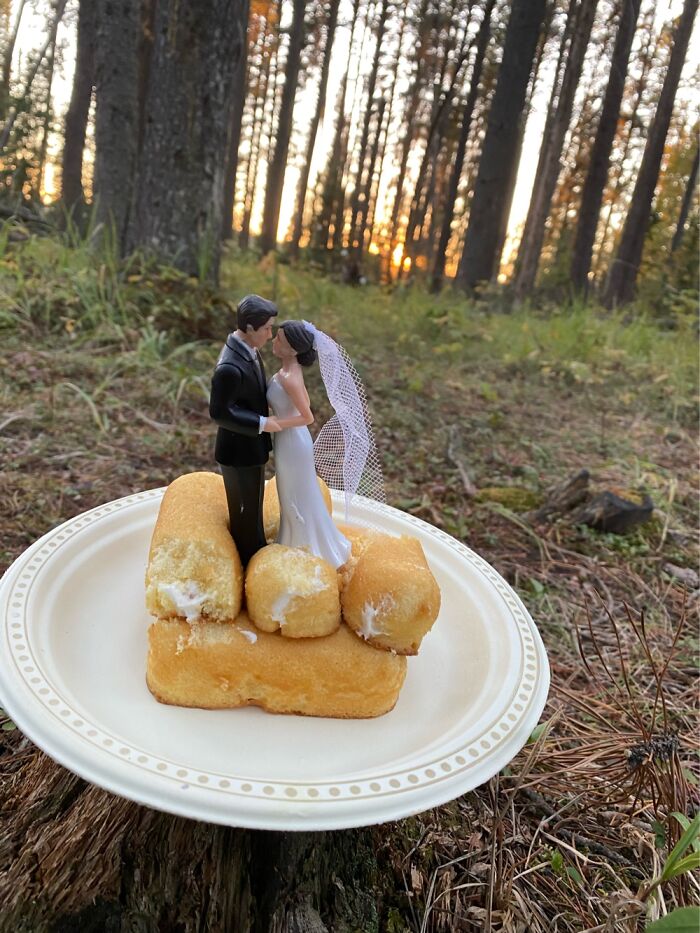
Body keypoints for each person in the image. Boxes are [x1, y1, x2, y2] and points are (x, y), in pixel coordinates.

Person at [267, 321, 352, 569]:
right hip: (289, 440)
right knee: (291, 491)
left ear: (293, 349)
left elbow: (308, 416)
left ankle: (306, 545)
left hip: (293, 441)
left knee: (296, 492)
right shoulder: (285, 374)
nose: (274, 341)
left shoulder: (290, 378)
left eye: (280, 339)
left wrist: (277, 423)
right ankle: (292, 538)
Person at [209, 295, 281, 565]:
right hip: (238, 450)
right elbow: (219, 412)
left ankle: (256, 546)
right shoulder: (229, 367)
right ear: (250, 328)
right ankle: (246, 558)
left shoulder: (250, 351)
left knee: (253, 504)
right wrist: (262, 423)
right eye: (266, 329)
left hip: (252, 448)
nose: (270, 334)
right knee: (243, 508)